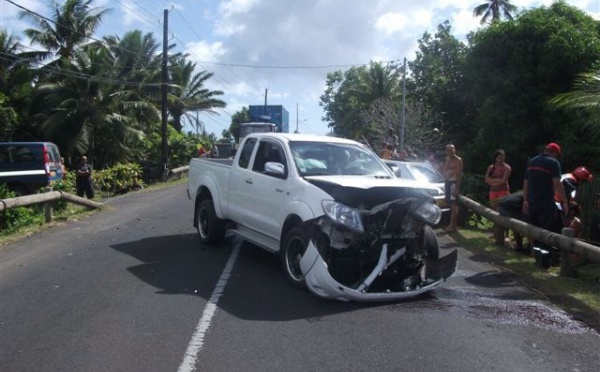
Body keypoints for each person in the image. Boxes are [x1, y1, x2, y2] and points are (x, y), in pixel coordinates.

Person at [522, 142, 568, 268]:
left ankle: (537, 258)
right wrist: (564, 201)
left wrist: (525, 200)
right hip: (546, 202)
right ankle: (545, 261)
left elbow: (526, 182)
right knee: (546, 231)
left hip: (532, 202)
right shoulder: (553, 163)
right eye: (557, 155)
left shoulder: (532, 162)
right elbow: (557, 183)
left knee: (535, 231)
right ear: (554, 153)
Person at [442, 144, 463, 233]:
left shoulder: (458, 160)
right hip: (448, 182)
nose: (450, 151)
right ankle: (453, 225)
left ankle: (452, 226)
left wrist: (457, 188)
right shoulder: (447, 159)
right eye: (448, 150)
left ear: (455, 150)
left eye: (452, 149)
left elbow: (458, 175)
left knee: (453, 204)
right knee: (449, 203)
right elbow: (444, 171)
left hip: (453, 183)